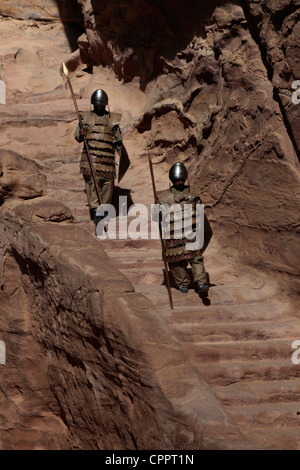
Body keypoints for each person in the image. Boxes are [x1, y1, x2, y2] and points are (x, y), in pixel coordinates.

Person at [155, 162, 212, 294]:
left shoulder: (193, 193)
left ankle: (201, 282)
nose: (180, 182)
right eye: (177, 180)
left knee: (196, 258)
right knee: (175, 260)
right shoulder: (162, 196)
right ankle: (182, 283)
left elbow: (200, 212)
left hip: (190, 232)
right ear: (172, 180)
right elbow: (157, 218)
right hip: (173, 233)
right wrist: (157, 210)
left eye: (181, 179)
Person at [74, 89, 128, 224]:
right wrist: (81, 133)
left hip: (107, 160)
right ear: (93, 105)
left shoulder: (112, 120)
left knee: (108, 185)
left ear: (105, 105)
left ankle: (103, 209)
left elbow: (118, 140)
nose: (99, 108)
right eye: (97, 106)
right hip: (90, 158)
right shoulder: (85, 118)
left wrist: (123, 156)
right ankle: (95, 210)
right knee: (92, 184)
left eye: (101, 106)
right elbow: (77, 137)